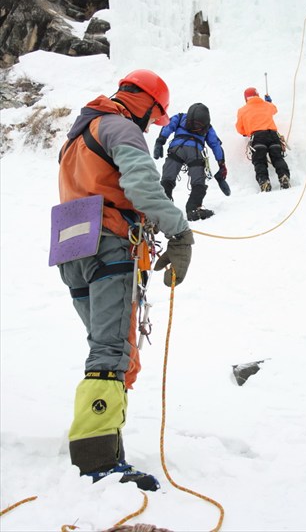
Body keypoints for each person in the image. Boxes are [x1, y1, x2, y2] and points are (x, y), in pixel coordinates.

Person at [56, 69, 194, 491]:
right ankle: (97, 461)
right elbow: (141, 186)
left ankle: (101, 441)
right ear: (147, 102)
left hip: (69, 246)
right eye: (155, 116)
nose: (153, 124)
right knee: (112, 350)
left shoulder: (78, 136)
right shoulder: (120, 128)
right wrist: (179, 231)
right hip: (109, 243)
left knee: (106, 348)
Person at [153, 102, 228, 221]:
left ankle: (163, 208)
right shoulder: (208, 127)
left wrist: (160, 142)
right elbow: (215, 144)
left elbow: (168, 126)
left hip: (177, 149)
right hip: (195, 153)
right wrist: (221, 164)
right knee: (198, 182)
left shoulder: (181, 117)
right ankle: (193, 209)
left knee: (168, 178)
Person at [235, 87, 290, 191]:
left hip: (258, 137)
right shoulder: (267, 105)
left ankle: (264, 181)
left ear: (246, 98)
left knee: (259, 161)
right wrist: (268, 102)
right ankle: (284, 176)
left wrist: (246, 132)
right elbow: (274, 109)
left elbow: (240, 129)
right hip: (273, 135)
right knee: (277, 157)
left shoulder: (242, 110)